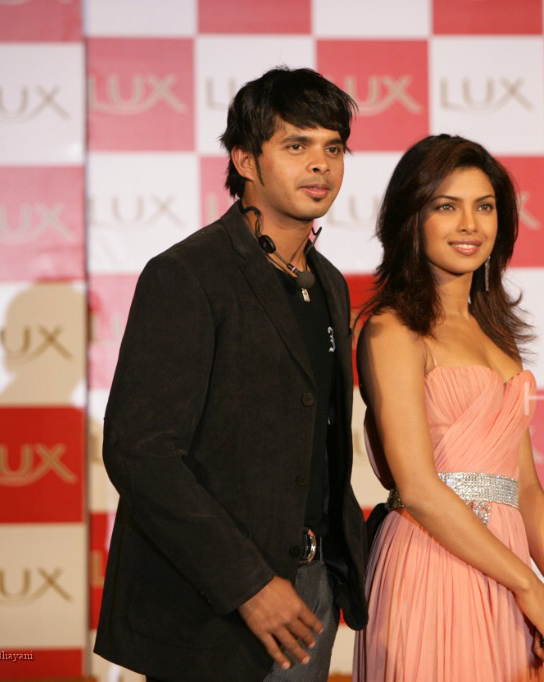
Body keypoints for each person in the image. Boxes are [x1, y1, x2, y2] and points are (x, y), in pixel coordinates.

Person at [94, 67, 368, 682]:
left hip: (311, 590)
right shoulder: (188, 274)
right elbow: (141, 454)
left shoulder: (328, 283)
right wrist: (248, 584)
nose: (320, 165)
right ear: (245, 160)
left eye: (333, 148)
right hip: (211, 604)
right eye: (296, 146)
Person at [352, 134, 544, 681]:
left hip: (504, 573)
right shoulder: (392, 329)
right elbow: (418, 487)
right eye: (446, 206)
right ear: (412, 217)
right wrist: (530, 584)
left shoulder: (498, 337)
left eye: (484, 207)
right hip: (431, 559)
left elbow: (524, 488)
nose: (470, 225)